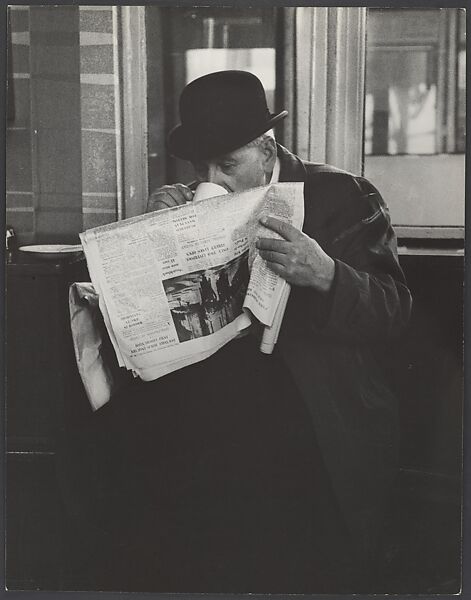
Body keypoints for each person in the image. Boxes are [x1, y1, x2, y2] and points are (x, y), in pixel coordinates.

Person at [67, 70, 412, 593]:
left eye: (228, 165)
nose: (214, 181)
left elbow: (394, 310)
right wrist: (155, 239)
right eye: (201, 167)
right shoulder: (188, 199)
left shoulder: (342, 194)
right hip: (207, 395)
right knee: (103, 446)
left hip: (309, 398)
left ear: (268, 149)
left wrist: (327, 274)